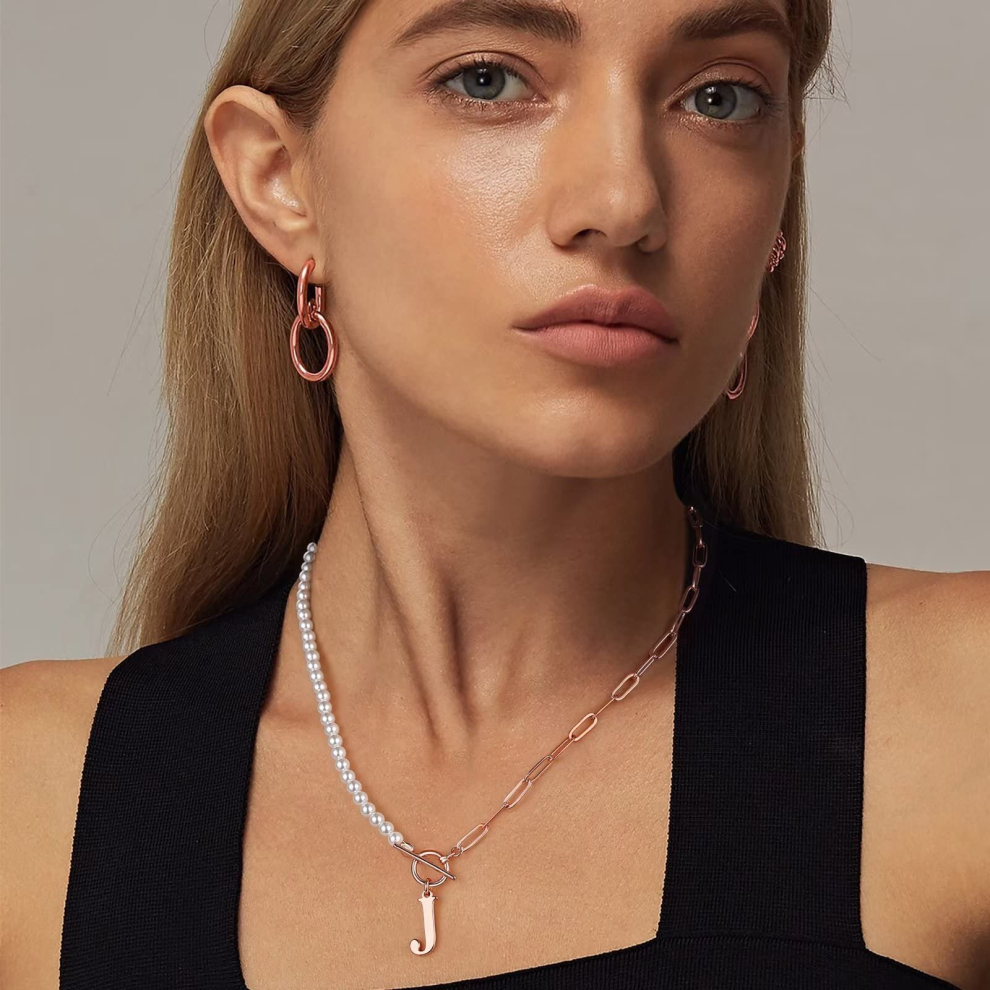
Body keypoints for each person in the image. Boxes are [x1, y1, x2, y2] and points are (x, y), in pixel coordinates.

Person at [2, 0, 988, 987]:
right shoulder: (34, 804)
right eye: (489, 80)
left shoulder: (960, 723)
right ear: (279, 178)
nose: (624, 202)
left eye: (719, 98)